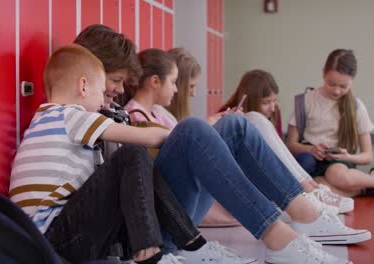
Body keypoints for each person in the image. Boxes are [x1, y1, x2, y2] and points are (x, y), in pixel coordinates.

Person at [9, 44, 259, 264]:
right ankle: (152, 251)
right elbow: (147, 138)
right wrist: (191, 141)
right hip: (57, 241)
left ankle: (189, 242)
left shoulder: (43, 120)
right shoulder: (69, 116)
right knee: (133, 154)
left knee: (131, 164)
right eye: (100, 92)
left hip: (50, 238)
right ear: (83, 86)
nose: (103, 103)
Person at [123, 48, 370, 263]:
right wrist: (197, 132)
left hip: (182, 210)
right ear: (155, 81)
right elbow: (141, 175)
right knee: (192, 129)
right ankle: (278, 235)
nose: (178, 90)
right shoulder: (131, 115)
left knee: (236, 124)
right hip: (165, 225)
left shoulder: (159, 113)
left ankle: (303, 210)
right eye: (174, 82)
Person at [219, 69, 353, 213]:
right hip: (244, 172)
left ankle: (310, 187)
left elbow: (277, 149)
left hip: (266, 170)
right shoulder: (226, 117)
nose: (272, 107)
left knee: (258, 120)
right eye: (266, 102)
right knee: (254, 117)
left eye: (274, 100)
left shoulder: (273, 113)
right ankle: (307, 189)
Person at [285, 49, 374, 197]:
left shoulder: (356, 106)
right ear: (323, 74)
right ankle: (362, 189)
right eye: (331, 83)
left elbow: (367, 157)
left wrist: (347, 157)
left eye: (344, 86)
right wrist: (311, 150)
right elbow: (289, 145)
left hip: (340, 164)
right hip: (311, 161)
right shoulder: (305, 101)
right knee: (317, 187)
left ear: (352, 81)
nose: (337, 91)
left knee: (337, 175)